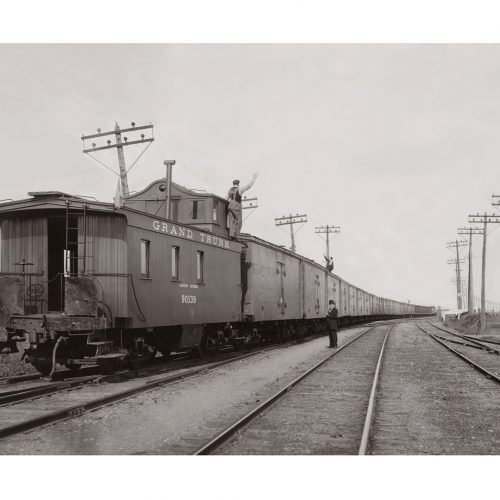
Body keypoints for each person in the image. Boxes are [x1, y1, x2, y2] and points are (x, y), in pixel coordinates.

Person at [227, 174, 258, 239]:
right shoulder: (239, 189)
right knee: (239, 222)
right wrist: (253, 179)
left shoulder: (229, 190)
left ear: (233, 184)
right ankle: (235, 236)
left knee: (231, 221)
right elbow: (248, 186)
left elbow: (226, 198)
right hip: (236, 207)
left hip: (230, 206)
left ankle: (231, 235)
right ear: (238, 184)